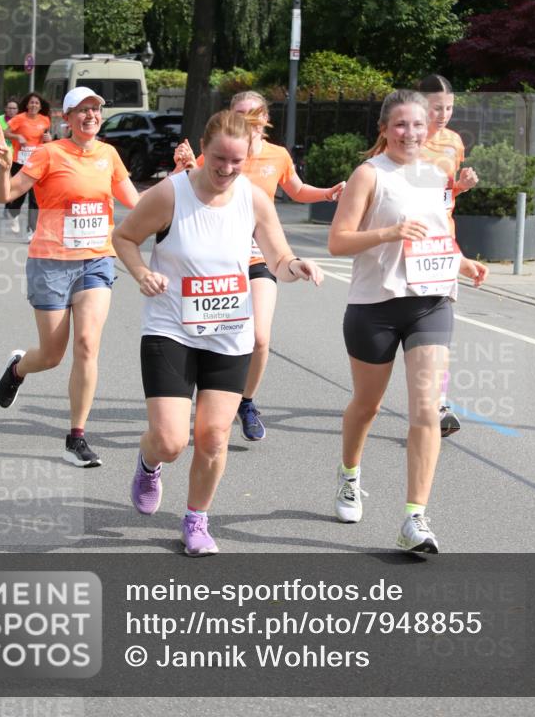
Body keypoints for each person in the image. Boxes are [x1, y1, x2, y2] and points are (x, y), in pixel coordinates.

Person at [112, 109, 324, 556]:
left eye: (236, 161)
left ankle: (196, 519)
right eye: (219, 159)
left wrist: (297, 267)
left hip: (229, 332)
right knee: (171, 440)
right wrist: (142, 273)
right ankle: (149, 461)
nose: (227, 169)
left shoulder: (254, 199)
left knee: (212, 436)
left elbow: (278, 258)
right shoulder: (170, 194)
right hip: (171, 328)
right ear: (203, 150)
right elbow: (124, 238)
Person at [328, 89, 487, 554]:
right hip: (374, 305)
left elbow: (437, 235)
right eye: (400, 124)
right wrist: (388, 232)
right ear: (384, 129)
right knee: (367, 406)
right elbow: (338, 241)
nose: (410, 133)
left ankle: (414, 518)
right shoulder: (368, 174)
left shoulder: (436, 174)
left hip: (430, 302)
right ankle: (349, 476)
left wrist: (462, 263)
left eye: (418, 124)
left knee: (426, 410)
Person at [174, 90, 344, 443]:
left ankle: (246, 402)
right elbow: (194, 185)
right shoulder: (222, 150)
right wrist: (186, 166)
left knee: (260, 337)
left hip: (259, 256)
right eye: (239, 113)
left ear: (265, 118)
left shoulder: (277, 155)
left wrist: (327, 193)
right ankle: (207, 394)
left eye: (254, 113)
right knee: (209, 332)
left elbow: (296, 189)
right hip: (218, 259)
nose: (247, 120)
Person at [0, 86, 140, 467]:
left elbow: (138, 204)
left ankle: (77, 437)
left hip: (96, 261)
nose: (91, 116)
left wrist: (180, 179)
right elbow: (7, 195)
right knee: (52, 355)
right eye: (83, 110)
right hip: (51, 263)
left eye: (96, 109)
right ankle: (19, 368)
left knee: (87, 345)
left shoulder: (109, 155)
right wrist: (4, 168)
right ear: (67, 118)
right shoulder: (49, 153)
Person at [418, 74, 478, 437]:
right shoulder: (404, 138)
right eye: (436, 108)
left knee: (438, 328)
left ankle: (438, 405)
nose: (443, 115)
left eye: (449, 108)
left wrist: (461, 186)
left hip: (442, 244)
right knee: (407, 332)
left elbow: (446, 194)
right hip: (405, 245)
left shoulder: (454, 141)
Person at [4, 92, 52, 240]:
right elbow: (5, 133)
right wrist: (16, 136)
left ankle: (31, 230)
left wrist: (49, 139)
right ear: (27, 104)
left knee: (35, 197)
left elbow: (48, 139)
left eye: (37, 103)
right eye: (31, 102)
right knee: (19, 194)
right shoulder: (19, 118)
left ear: (40, 106)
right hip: (20, 161)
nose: (34, 105)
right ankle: (13, 213)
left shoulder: (45, 120)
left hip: (37, 162)